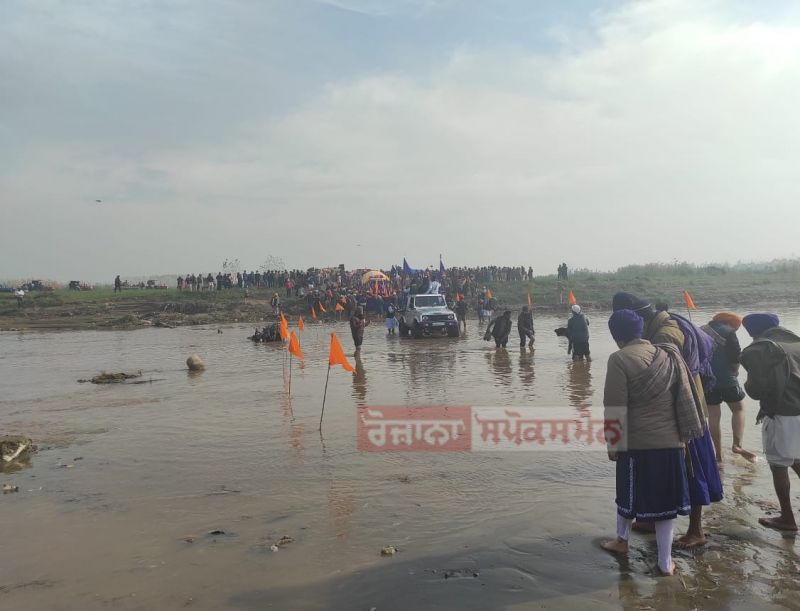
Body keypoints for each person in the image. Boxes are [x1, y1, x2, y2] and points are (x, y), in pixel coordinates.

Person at [612, 291, 722, 548]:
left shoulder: (665, 335)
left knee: (692, 472)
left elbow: (661, 383)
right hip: (678, 413)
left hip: (684, 415)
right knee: (660, 472)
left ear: (638, 319)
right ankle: (652, 519)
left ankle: (696, 530)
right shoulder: (662, 325)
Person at [601, 309, 704, 576]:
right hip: (672, 445)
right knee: (665, 504)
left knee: (627, 495)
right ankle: (665, 562)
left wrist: (613, 444)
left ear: (616, 335)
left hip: (637, 446)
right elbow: (680, 399)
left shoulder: (619, 359)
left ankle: (621, 542)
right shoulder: (669, 355)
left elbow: (614, 408)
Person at [740, 313, 800, 532]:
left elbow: (756, 391)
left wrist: (748, 384)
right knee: (796, 458)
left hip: (782, 414)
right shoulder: (795, 342)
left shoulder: (760, 350)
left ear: (749, 331)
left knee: (778, 465)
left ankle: (787, 517)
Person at [701, 312, 757, 462]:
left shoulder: (699, 330)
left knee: (713, 414)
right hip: (727, 380)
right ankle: (737, 445)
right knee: (738, 409)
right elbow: (735, 357)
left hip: (706, 380)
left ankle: (718, 454)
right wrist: (736, 371)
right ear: (730, 324)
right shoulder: (729, 333)